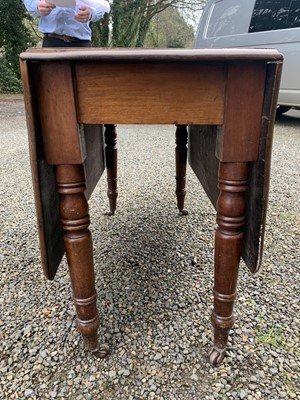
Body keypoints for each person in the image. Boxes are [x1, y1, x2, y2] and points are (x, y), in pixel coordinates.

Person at [22, 0, 110, 47]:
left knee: (85, 81)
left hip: (81, 43)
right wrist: (37, 5)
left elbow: (101, 5)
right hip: (52, 43)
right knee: (51, 80)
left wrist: (92, 13)